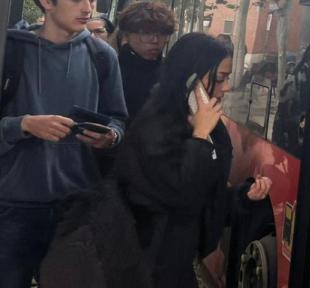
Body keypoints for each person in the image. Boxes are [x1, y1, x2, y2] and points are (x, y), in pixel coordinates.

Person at [0, 0, 127, 288]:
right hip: (12, 205)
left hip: (76, 207)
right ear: (46, 0)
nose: (88, 8)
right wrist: (23, 125)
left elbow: (118, 118)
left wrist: (110, 136)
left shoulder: (103, 56)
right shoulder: (10, 51)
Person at [115, 32, 271, 288]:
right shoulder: (155, 126)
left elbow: (204, 196)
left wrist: (244, 196)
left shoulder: (209, 125)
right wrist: (199, 137)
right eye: (220, 78)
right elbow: (178, 194)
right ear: (190, 80)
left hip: (179, 258)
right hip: (147, 265)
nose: (227, 87)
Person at [115, 1, 176, 121]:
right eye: (146, 33)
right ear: (127, 35)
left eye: (162, 34)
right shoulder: (112, 68)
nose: (155, 40)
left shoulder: (171, 72)